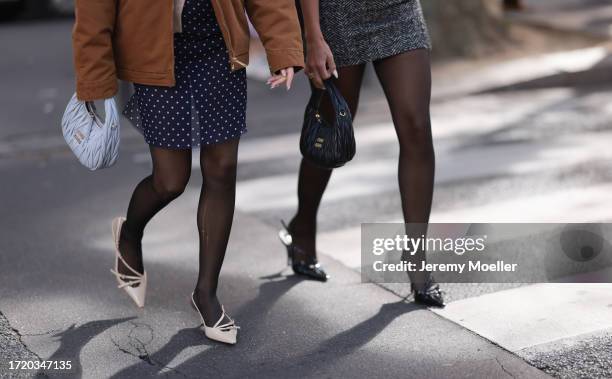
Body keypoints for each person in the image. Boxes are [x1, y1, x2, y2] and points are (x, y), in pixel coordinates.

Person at [72, 0, 304, 344]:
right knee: (170, 180)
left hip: (218, 48)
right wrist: (95, 77)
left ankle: (206, 293)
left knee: (222, 169)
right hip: (153, 51)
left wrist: (283, 47)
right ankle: (130, 236)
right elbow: (94, 10)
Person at [279, 0, 444, 307]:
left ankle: (417, 253)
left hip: (399, 10)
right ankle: (303, 226)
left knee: (417, 127)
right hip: (338, 14)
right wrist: (313, 37)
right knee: (330, 131)